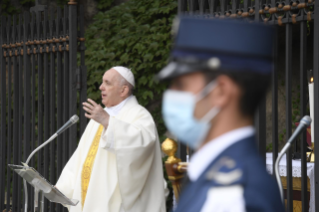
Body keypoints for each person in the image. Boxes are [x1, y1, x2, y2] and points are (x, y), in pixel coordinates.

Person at [156, 17, 285, 211]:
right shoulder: (215, 176)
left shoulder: (228, 197)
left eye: (181, 85)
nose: (171, 94)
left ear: (221, 92)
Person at [56, 66, 166, 212]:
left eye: (107, 83)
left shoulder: (139, 115)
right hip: (89, 199)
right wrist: (64, 186)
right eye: (102, 82)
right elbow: (81, 156)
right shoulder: (99, 117)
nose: (101, 87)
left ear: (123, 90)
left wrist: (109, 122)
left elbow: (142, 144)